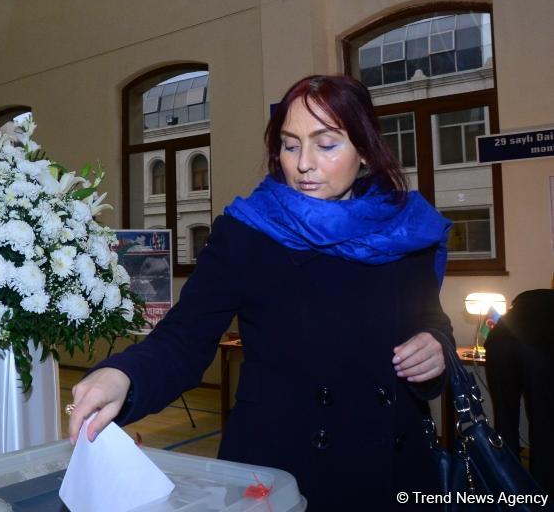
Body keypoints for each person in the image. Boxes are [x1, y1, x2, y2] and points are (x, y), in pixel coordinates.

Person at [68, 75, 455, 510]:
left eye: (326, 145)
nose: (303, 164)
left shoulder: (405, 230)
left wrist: (436, 346)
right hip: (286, 471)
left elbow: (432, 320)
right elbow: (184, 338)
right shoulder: (247, 233)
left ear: (364, 149)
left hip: (395, 473)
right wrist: (124, 376)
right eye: (290, 145)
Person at [485, 289, 554, 495]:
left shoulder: (523, 302)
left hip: (498, 341)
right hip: (535, 346)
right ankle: (542, 492)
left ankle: (507, 486)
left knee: (504, 418)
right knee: (543, 422)